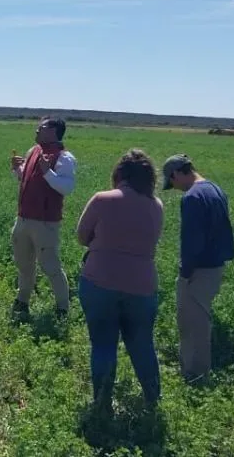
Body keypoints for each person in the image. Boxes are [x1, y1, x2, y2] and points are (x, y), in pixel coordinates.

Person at [75, 149, 165, 414]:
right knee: (143, 345)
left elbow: (81, 236)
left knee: (103, 345)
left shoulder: (102, 199)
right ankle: (152, 400)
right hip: (142, 286)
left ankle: (102, 403)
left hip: (99, 282)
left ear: (119, 174)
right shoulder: (156, 205)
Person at [162, 154, 234, 384]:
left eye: (171, 182)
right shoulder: (215, 189)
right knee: (200, 318)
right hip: (215, 265)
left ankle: (195, 375)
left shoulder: (192, 197)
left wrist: (185, 274)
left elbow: (192, 242)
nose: (174, 187)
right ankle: (195, 371)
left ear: (176, 174)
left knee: (193, 324)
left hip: (199, 269)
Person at [9, 116, 77, 319]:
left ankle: (62, 308)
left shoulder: (64, 158)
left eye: (42, 127)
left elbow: (67, 187)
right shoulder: (33, 151)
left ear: (54, 131)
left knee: (51, 267)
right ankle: (22, 301)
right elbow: (26, 177)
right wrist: (17, 168)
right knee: (24, 264)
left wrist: (48, 172)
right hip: (23, 219)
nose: (37, 129)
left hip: (46, 223)